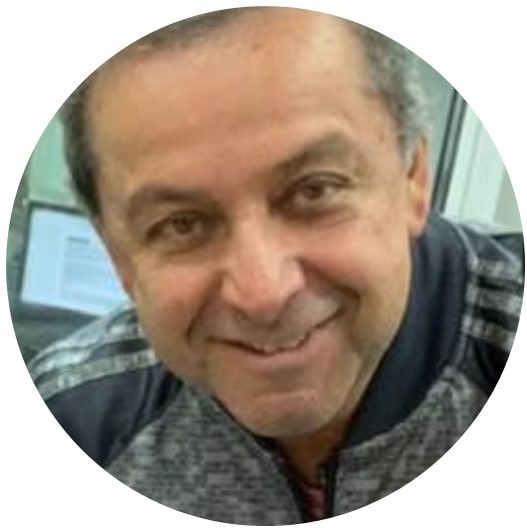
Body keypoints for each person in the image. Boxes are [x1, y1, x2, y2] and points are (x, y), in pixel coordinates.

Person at [27, 7, 523, 525]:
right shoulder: (70, 422)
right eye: (181, 224)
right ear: (119, 257)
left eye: (315, 190)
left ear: (413, 179)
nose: (263, 294)